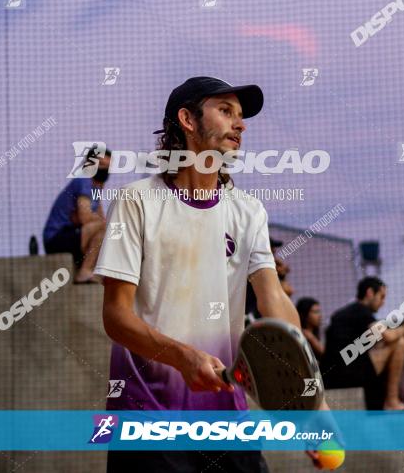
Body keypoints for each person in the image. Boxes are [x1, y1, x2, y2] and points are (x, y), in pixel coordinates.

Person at [95, 76, 327, 472]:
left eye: (241, 115)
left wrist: (311, 399)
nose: (240, 124)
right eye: (225, 111)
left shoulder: (248, 210)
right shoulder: (137, 202)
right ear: (187, 119)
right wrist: (183, 358)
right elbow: (116, 317)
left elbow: (273, 300)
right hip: (149, 419)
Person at [321, 276, 404, 411]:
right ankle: (392, 401)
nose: (383, 302)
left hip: (332, 375)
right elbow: (388, 337)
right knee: (400, 343)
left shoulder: (346, 313)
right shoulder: (360, 310)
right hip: (348, 374)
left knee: (386, 345)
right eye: (382, 296)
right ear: (369, 293)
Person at [42, 146, 111, 284]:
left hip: (75, 235)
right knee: (105, 226)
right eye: (101, 165)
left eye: (108, 167)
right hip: (57, 238)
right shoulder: (83, 180)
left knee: (107, 231)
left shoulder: (97, 186)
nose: (105, 170)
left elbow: (99, 216)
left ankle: (93, 271)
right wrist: (99, 221)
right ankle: (84, 271)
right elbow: (85, 217)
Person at [244, 237, 293, 323]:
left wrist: (281, 275)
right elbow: (286, 291)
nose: (275, 258)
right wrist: (279, 274)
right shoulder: (254, 270)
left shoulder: (268, 268)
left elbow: (288, 291)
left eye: (274, 253)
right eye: (271, 253)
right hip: (250, 319)